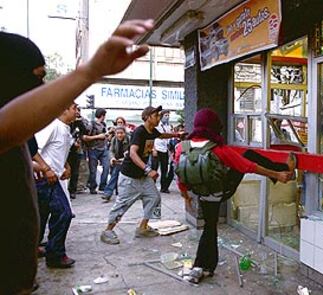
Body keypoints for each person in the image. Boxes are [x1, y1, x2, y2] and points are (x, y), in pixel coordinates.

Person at [0, 19, 154, 294]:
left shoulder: (20, 139)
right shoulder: (13, 130)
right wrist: (91, 71)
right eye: (36, 77)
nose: (42, 88)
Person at [174, 108, 295, 283]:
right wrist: (278, 175)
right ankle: (199, 267)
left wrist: (186, 196)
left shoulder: (182, 147)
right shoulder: (217, 149)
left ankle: (206, 267)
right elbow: (249, 166)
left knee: (210, 226)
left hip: (200, 192)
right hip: (220, 191)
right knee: (248, 155)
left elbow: (180, 175)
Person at [100, 106, 183, 244]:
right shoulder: (140, 131)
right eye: (156, 116)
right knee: (122, 205)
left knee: (155, 198)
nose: (159, 118)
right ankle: (108, 230)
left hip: (143, 178)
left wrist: (177, 135)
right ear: (148, 117)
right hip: (129, 177)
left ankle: (143, 227)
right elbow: (132, 153)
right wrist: (148, 169)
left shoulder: (152, 131)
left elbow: (161, 135)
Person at [35, 103, 78, 268]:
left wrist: (66, 166)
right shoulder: (52, 126)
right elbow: (34, 151)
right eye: (74, 107)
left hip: (55, 179)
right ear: (63, 109)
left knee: (43, 214)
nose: (77, 111)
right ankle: (55, 255)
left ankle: (35, 248)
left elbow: (59, 152)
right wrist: (46, 169)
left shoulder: (65, 129)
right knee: (64, 213)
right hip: (45, 179)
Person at [82, 108, 110, 194]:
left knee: (106, 167)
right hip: (93, 149)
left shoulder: (104, 124)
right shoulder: (91, 124)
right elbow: (84, 137)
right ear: (102, 115)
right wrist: (98, 137)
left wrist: (108, 135)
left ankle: (102, 186)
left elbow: (105, 136)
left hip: (103, 149)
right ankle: (93, 187)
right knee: (93, 170)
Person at [102, 126, 130, 201]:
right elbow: (111, 151)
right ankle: (115, 192)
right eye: (118, 133)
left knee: (115, 173)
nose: (119, 135)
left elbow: (131, 152)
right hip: (117, 161)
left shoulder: (129, 139)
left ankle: (108, 193)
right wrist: (112, 158)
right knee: (115, 173)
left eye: (121, 133)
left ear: (125, 133)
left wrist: (125, 157)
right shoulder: (114, 139)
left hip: (128, 161)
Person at [68, 106, 89, 199]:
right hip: (66, 149)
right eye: (75, 110)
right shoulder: (66, 123)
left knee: (75, 171)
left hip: (76, 150)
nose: (76, 112)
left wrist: (79, 121)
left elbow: (85, 131)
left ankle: (72, 190)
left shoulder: (79, 122)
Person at [152, 110, 174, 193]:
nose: (167, 117)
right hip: (157, 149)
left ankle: (164, 187)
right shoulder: (157, 125)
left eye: (168, 115)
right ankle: (152, 187)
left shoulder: (168, 126)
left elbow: (169, 137)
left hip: (165, 149)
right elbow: (152, 137)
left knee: (164, 169)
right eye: (165, 115)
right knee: (154, 168)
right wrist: (153, 149)